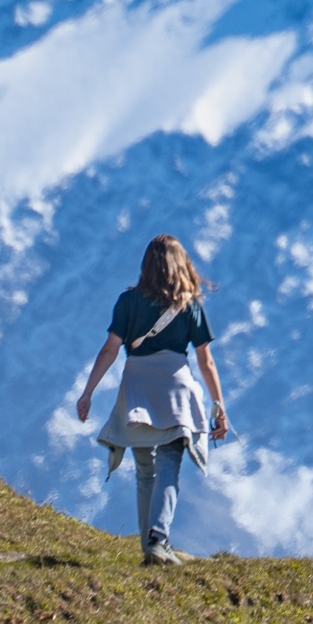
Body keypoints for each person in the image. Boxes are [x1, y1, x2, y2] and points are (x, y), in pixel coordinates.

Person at [74, 235, 230, 565]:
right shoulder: (190, 305)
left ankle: (150, 550)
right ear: (181, 265)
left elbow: (110, 350)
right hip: (175, 387)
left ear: (147, 266)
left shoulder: (127, 302)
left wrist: (88, 392)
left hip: (138, 387)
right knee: (170, 461)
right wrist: (219, 407)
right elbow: (206, 361)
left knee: (145, 470)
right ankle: (159, 539)